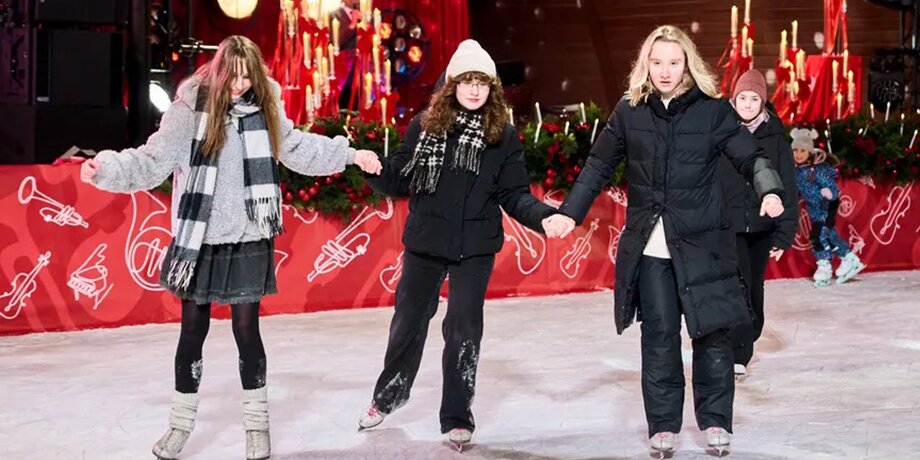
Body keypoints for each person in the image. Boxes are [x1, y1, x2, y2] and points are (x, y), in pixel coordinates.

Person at [80, 35, 381, 460]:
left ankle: (257, 426)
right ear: (219, 71)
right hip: (200, 237)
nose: (240, 85)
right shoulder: (188, 111)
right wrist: (106, 168)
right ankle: (180, 424)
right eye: (234, 76)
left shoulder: (265, 108)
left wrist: (350, 155)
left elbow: (298, 148)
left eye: (247, 77)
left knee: (246, 330)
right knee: (192, 331)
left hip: (247, 234)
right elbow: (152, 160)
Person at [544, 26, 785, 457]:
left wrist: (769, 190)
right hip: (653, 246)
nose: (665, 71)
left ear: (687, 63)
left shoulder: (713, 111)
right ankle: (662, 425)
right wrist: (568, 213)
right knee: (659, 335)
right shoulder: (630, 110)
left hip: (704, 243)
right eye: (657, 62)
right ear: (646, 64)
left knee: (712, 333)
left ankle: (715, 420)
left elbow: (751, 156)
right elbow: (598, 166)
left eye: (674, 62)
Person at [355, 39, 561, 450]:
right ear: (452, 85)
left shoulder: (502, 136)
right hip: (426, 243)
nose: (473, 90)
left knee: (464, 329)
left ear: (492, 88)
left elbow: (514, 194)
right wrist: (373, 168)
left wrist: (543, 217)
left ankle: (456, 416)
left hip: (475, 248)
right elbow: (400, 180)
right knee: (408, 322)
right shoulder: (424, 127)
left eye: (481, 83)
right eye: (466, 81)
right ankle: (388, 395)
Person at [721, 69, 798, 379]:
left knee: (754, 285)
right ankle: (738, 351)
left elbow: (787, 184)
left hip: (762, 225)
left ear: (763, 102)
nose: (748, 104)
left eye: (754, 99)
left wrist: (784, 232)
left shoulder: (775, 135)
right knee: (737, 283)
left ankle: (749, 334)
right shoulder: (722, 130)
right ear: (734, 99)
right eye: (743, 98)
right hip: (729, 225)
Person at [790, 128, 865, 287]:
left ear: (810, 151)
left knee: (817, 236)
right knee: (829, 235)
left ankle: (824, 266)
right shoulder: (797, 171)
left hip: (826, 207)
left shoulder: (817, 170)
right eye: (795, 150)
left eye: (803, 150)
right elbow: (797, 191)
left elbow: (833, 188)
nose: (798, 154)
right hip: (814, 211)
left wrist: (828, 193)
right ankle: (849, 258)